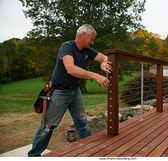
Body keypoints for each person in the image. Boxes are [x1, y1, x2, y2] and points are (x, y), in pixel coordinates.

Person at [28, 24, 112, 157]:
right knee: (48, 127)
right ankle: (33, 156)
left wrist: (102, 63)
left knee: (83, 123)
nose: (93, 42)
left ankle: (91, 152)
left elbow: (104, 57)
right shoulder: (67, 47)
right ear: (83, 35)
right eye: (92, 38)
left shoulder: (87, 50)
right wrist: (96, 76)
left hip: (75, 91)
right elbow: (70, 69)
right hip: (60, 92)